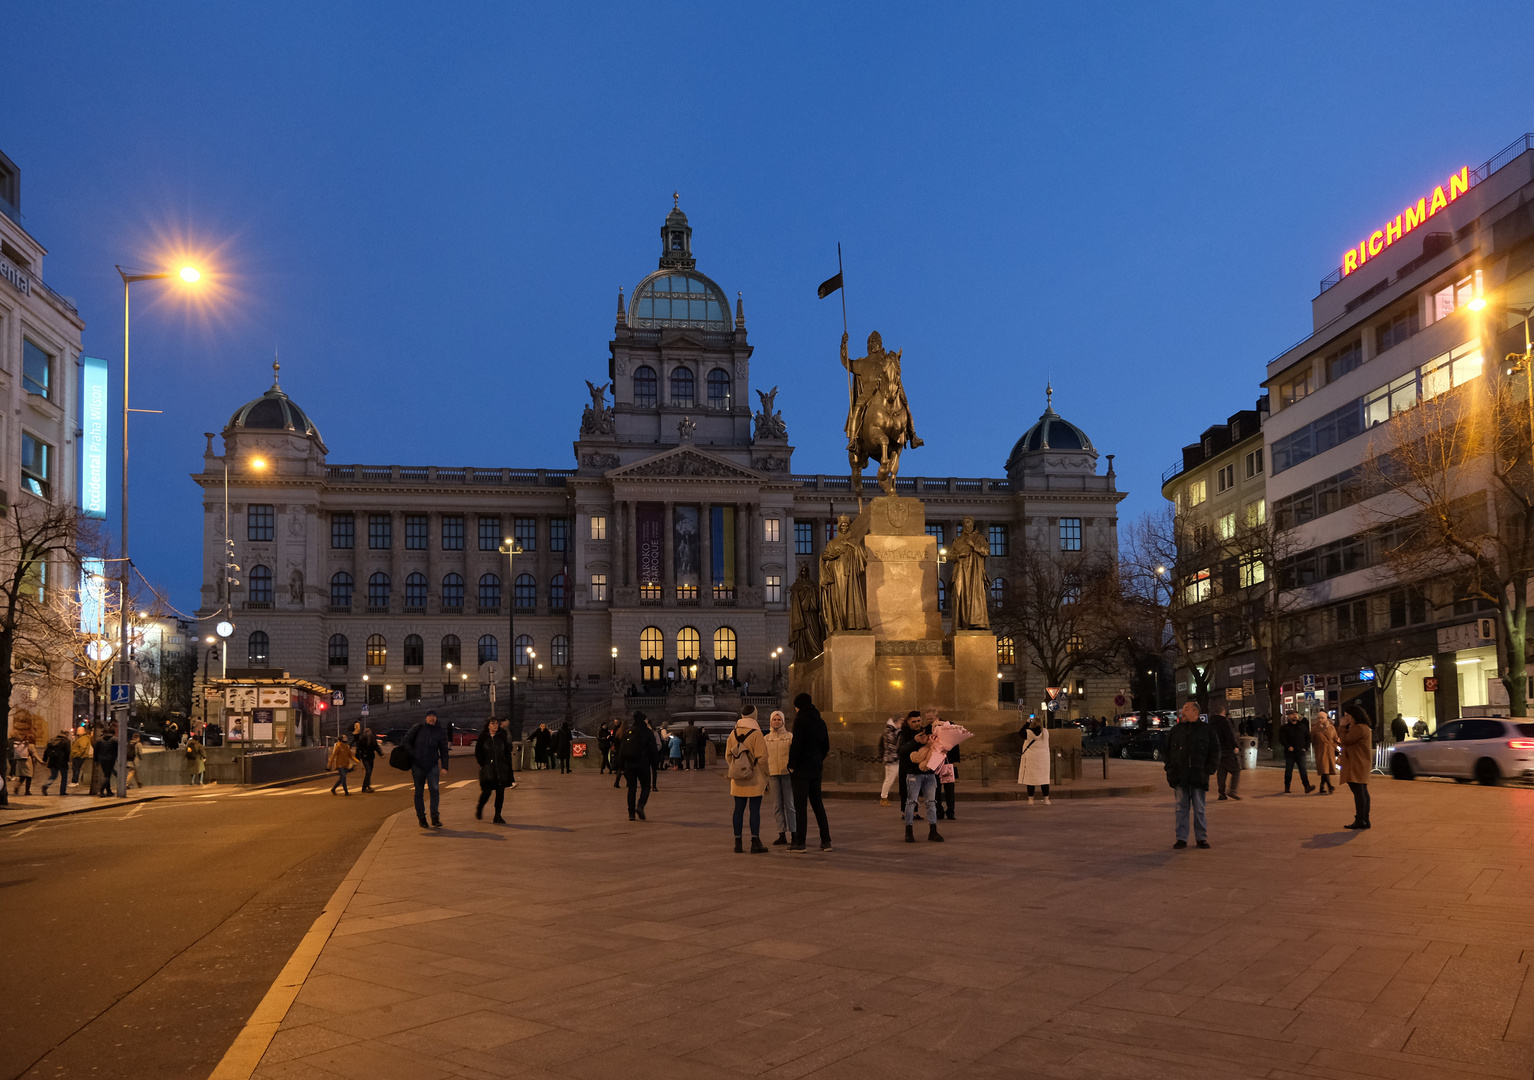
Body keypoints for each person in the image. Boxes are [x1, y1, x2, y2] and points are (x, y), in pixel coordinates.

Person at [1164, 701, 1219, 849]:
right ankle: (1181, 838)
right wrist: (1170, 769)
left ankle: (1201, 838)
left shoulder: (1207, 730)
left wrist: (1209, 770)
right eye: (1182, 709)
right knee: (1181, 808)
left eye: (1186, 709)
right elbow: (1167, 751)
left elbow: (1215, 751)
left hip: (1198, 776)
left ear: (1196, 712)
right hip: (1180, 776)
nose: (1182, 712)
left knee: (1199, 808)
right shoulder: (1176, 730)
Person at [787, 692, 831, 852]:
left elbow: (797, 745)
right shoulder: (820, 721)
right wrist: (818, 759)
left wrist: (792, 765)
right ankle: (826, 841)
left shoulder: (800, 720)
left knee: (800, 807)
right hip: (816, 768)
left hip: (801, 770)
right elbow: (826, 745)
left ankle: (800, 842)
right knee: (818, 804)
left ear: (798, 706)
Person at [725, 707, 770, 853]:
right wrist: (766, 774)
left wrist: (737, 768)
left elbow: (728, 755)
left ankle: (738, 843)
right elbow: (762, 758)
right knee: (754, 810)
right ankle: (755, 842)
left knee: (738, 809)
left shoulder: (733, 732)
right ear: (754, 715)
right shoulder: (756, 733)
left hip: (737, 778)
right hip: (755, 777)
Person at [898, 714, 943, 843]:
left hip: (928, 773)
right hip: (912, 773)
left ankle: (933, 831)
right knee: (911, 802)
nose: (917, 723)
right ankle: (909, 831)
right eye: (914, 721)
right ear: (908, 722)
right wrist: (915, 741)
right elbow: (901, 751)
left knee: (931, 802)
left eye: (919, 721)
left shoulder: (925, 732)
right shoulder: (904, 734)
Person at [403, 710, 451, 828]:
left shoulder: (440, 732)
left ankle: (435, 817)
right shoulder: (418, 728)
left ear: (436, 718)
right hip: (417, 765)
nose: (431, 718)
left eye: (434, 716)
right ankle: (421, 818)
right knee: (419, 792)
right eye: (429, 716)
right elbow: (405, 741)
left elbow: (444, 750)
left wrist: (444, 766)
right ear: (425, 718)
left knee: (434, 790)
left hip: (432, 765)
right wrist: (413, 754)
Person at [619, 711, 660, 820]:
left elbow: (622, 750)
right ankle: (640, 805)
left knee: (631, 789)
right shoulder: (648, 732)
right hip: (643, 763)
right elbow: (653, 750)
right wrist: (655, 764)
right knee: (646, 786)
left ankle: (631, 814)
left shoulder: (628, 732)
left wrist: (620, 766)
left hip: (629, 764)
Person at [763, 710, 795, 845]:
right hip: (773, 775)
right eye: (774, 720)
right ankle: (781, 833)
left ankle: (794, 833)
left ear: (783, 721)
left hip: (787, 774)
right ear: (771, 721)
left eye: (779, 720)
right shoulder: (766, 739)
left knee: (790, 805)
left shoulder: (790, 737)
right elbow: (764, 758)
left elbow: (794, 755)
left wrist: (792, 769)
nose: (776, 722)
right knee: (777, 806)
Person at [1339, 703, 1373, 829]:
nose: (1345, 719)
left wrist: (1342, 727)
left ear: (1355, 716)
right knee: (1362, 791)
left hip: (1357, 763)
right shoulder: (1362, 727)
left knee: (1359, 792)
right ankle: (1364, 819)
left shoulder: (1359, 728)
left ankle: (1360, 819)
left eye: (1347, 716)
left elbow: (1345, 740)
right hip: (1359, 762)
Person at [475, 718, 515, 823]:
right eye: (492, 724)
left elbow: (506, 753)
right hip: (488, 769)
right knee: (487, 792)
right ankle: (480, 807)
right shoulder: (483, 737)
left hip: (501, 769)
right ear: (488, 725)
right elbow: (478, 752)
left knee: (500, 792)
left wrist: (509, 768)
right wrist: (483, 764)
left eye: (497, 723)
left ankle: (497, 815)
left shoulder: (501, 737)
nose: (495, 725)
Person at [924, 706, 958, 820]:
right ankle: (939, 810)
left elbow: (955, 739)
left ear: (936, 716)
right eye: (927, 719)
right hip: (934, 762)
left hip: (947, 761)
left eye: (931, 718)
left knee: (949, 788)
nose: (929, 721)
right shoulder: (926, 729)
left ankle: (950, 811)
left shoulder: (948, 725)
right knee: (935, 788)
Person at [1208, 701, 1241, 801]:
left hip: (1216, 751)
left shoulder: (1210, 723)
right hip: (1226, 750)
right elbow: (1230, 735)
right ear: (1223, 712)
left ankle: (1221, 793)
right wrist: (1235, 746)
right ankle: (1232, 790)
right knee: (1236, 770)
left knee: (1221, 771)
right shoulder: (1225, 722)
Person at [1279, 710, 1314, 793]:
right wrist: (1288, 746)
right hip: (1290, 752)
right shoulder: (1284, 728)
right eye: (1292, 714)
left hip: (1300, 751)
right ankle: (1287, 787)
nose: (1295, 716)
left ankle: (1307, 786)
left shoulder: (1302, 726)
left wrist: (1306, 747)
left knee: (1303, 769)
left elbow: (1308, 737)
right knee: (1288, 770)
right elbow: (1282, 739)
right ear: (1288, 716)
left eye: (1296, 714)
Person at [1017, 717, 1050, 803]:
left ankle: (1031, 799)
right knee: (1044, 779)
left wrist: (1027, 723)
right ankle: (1046, 799)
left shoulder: (1028, 733)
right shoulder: (1045, 732)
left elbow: (1021, 732)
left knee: (1030, 779)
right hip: (1043, 759)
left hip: (1031, 759)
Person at [1311, 712, 1338, 795]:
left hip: (1330, 751)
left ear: (1326, 718)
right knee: (1324, 768)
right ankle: (1330, 786)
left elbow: (1335, 738)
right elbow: (1312, 740)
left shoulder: (1332, 728)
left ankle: (1322, 786)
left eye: (1322, 718)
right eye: (1319, 718)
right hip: (1320, 751)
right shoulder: (1314, 729)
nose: (1320, 720)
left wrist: (1336, 744)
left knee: (1326, 769)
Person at [878, 716, 902, 808]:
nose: (901, 724)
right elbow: (892, 745)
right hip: (892, 759)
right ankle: (883, 798)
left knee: (896, 778)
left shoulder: (891, 730)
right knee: (889, 779)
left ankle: (884, 798)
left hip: (894, 759)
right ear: (896, 722)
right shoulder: (889, 731)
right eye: (900, 722)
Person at [351, 722, 381, 792]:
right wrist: (357, 758)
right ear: (365, 733)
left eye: (370, 732)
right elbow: (358, 748)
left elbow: (376, 747)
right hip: (365, 757)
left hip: (371, 757)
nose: (369, 733)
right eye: (368, 732)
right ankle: (364, 788)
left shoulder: (373, 738)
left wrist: (381, 754)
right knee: (368, 771)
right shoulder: (362, 739)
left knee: (369, 772)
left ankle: (368, 786)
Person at [94, 726, 119, 796]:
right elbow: (118, 751)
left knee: (106, 774)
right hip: (111, 759)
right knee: (107, 775)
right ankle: (101, 790)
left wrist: (96, 760)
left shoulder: (99, 740)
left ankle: (108, 791)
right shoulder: (115, 740)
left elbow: (96, 751)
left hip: (102, 759)